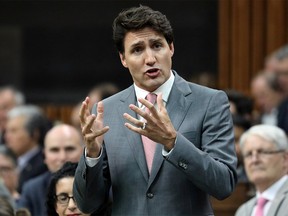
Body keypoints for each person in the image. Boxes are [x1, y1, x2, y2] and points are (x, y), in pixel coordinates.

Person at [73, 5, 237, 215]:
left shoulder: (209, 102)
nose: (150, 58)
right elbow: (87, 204)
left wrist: (173, 142)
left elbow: (224, 184)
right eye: (137, 49)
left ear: (171, 48)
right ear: (123, 59)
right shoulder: (107, 111)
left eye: (157, 46)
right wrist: (92, 155)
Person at [18, 124, 84, 216]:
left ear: (83, 152)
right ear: (44, 155)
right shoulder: (31, 189)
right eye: (54, 150)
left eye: (69, 149)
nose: (62, 157)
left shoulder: (98, 184)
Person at [235, 124, 288, 216]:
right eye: (249, 154)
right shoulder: (242, 211)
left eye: (262, 152)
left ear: (285, 159)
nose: (254, 160)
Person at [4, 104, 51, 193]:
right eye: (6, 131)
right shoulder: (9, 160)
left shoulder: (43, 164)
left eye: (13, 131)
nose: (7, 137)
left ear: (34, 134)